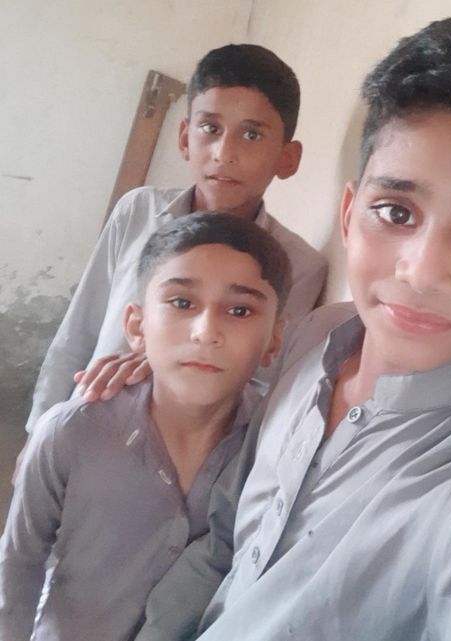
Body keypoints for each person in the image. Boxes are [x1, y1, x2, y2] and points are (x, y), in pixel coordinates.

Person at [135, 17, 451, 641]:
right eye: (396, 211)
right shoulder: (315, 335)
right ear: (350, 215)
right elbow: (224, 541)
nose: (421, 272)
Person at [0, 212, 292, 641]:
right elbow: (17, 567)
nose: (205, 332)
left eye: (239, 310)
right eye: (182, 303)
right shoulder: (72, 432)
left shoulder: (277, 447)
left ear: (274, 340)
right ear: (137, 326)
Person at [24, 43, 327, 433]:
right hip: (80, 428)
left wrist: (166, 362)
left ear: (288, 158)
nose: (224, 153)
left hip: (182, 453)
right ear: (185, 138)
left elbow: (262, 384)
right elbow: (78, 331)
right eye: (210, 129)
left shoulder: (298, 265)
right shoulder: (137, 212)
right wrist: (38, 430)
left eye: (252, 134)